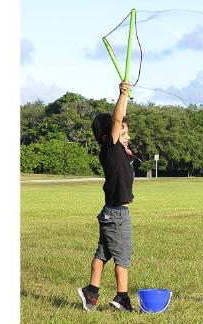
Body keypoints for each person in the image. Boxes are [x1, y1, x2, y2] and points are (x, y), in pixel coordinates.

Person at [77, 81, 136, 312]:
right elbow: (117, 120)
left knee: (103, 253)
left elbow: (120, 122)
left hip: (111, 211)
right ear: (108, 134)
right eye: (123, 131)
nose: (127, 135)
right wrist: (122, 96)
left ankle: (91, 292)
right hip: (117, 215)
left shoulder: (119, 151)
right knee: (123, 257)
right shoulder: (110, 148)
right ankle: (122, 298)